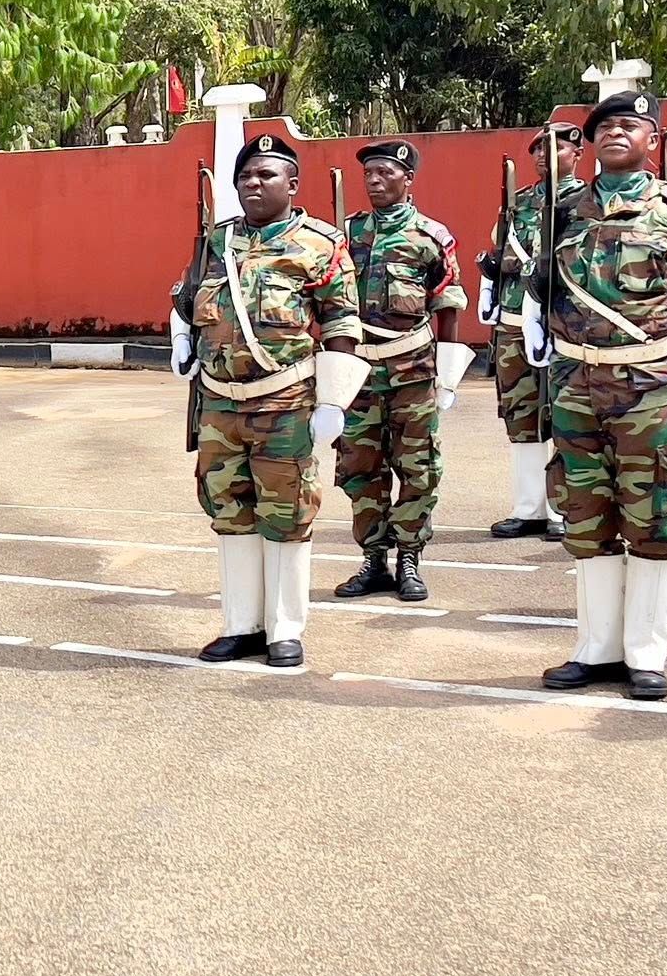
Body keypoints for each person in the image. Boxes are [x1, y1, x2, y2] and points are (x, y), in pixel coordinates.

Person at [526, 92, 667, 701]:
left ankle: (644, 652)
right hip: (577, 383)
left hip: (650, 385)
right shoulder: (564, 208)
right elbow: (546, 286)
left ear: (654, 142)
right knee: (585, 514)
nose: (614, 132)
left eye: (629, 125)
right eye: (604, 126)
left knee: (655, 513)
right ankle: (596, 647)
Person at [169, 132, 365, 667]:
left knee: (286, 511)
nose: (252, 184)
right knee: (228, 509)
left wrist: (334, 402)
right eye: (245, 177)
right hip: (219, 403)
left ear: (293, 185)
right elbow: (185, 298)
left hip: (284, 400)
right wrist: (182, 338)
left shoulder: (321, 244)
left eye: (265, 175)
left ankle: (284, 627)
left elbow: (343, 323)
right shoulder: (216, 241)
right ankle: (242, 625)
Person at [330, 140, 473, 602]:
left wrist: (448, 376)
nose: (374, 180)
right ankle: (373, 560)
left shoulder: (430, 237)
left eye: (384, 172)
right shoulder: (345, 235)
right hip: (358, 374)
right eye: (368, 173)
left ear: (407, 179)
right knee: (360, 466)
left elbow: (448, 303)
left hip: (412, 369)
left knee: (417, 467)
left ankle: (409, 557)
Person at [479, 122, 584, 539]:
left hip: (563, 323)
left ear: (577, 154)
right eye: (538, 150)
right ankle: (529, 508)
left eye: (554, 149)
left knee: (565, 413)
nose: (543, 156)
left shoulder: (586, 201)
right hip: (514, 320)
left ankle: (565, 509)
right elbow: (502, 249)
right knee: (521, 413)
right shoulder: (520, 202)